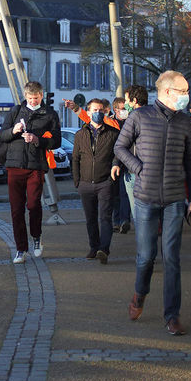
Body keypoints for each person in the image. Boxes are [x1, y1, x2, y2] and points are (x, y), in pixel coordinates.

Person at [114, 71, 191, 336]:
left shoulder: (187, 123)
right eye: (182, 91)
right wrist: (138, 168)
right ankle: (140, 294)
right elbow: (120, 148)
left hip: (175, 199)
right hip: (145, 197)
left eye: (187, 91)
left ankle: (172, 316)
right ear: (166, 92)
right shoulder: (140, 117)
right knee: (146, 257)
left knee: (172, 258)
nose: (186, 96)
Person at [0, 81, 61, 264]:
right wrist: (13, 130)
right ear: (25, 96)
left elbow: (56, 141)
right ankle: (20, 249)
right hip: (14, 165)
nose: (33, 101)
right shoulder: (15, 111)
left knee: (33, 205)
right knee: (16, 210)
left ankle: (36, 237)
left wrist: (37, 140)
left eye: (36, 98)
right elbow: (1, 136)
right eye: (30, 98)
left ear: (41, 95)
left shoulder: (50, 114)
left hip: (36, 166)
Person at [72, 98, 121, 263]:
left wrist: (113, 173)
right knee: (90, 218)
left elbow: (118, 155)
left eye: (101, 110)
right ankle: (93, 247)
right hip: (85, 183)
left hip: (105, 182)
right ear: (88, 111)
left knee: (105, 218)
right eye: (94, 110)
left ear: (105, 112)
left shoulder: (113, 133)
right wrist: (77, 181)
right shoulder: (80, 134)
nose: (98, 113)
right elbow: (75, 159)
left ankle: (104, 249)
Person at [117, 84, 149, 228]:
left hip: (134, 170)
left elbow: (120, 145)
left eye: (127, 100)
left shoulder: (133, 118)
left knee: (139, 214)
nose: (125, 104)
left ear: (134, 101)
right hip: (141, 169)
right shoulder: (154, 116)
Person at [109, 96, 132, 234]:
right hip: (112, 163)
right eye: (122, 109)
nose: (125, 112)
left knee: (125, 193)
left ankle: (124, 220)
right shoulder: (110, 123)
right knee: (115, 194)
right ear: (115, 109)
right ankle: (116, 221)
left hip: (127, 163)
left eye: (126, 109)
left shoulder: (131, 122)